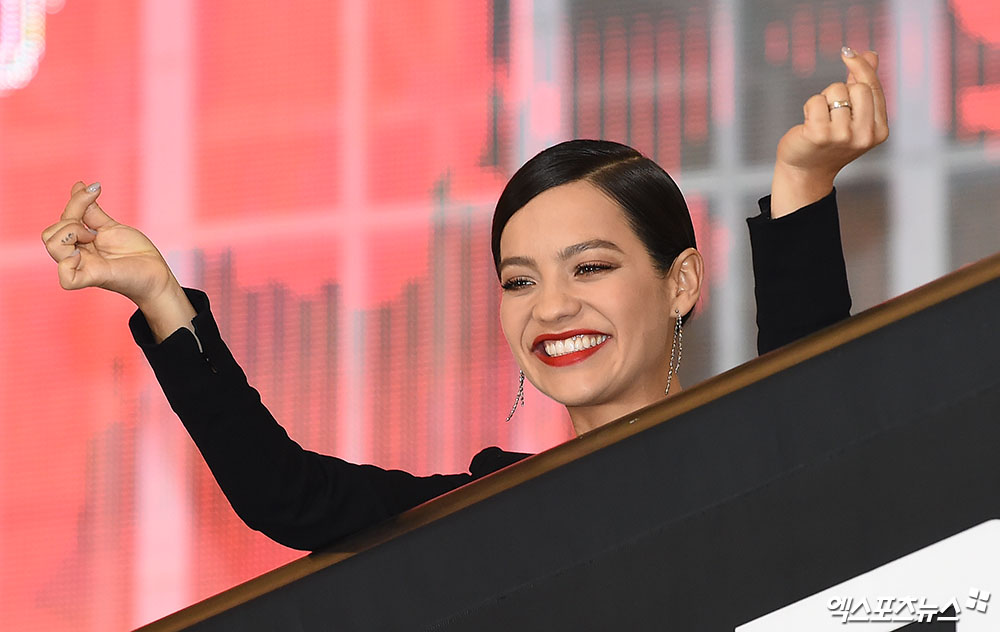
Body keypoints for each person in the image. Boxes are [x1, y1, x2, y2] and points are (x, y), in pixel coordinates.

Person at [41, 49, 887, 550]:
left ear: (683, 283)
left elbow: (805, 415)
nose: (550, 307)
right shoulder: (486, 515)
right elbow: (286, 496)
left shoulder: (753, 454)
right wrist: (158, 294)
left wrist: (803, 182)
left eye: (589, 268)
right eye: (520, 280)